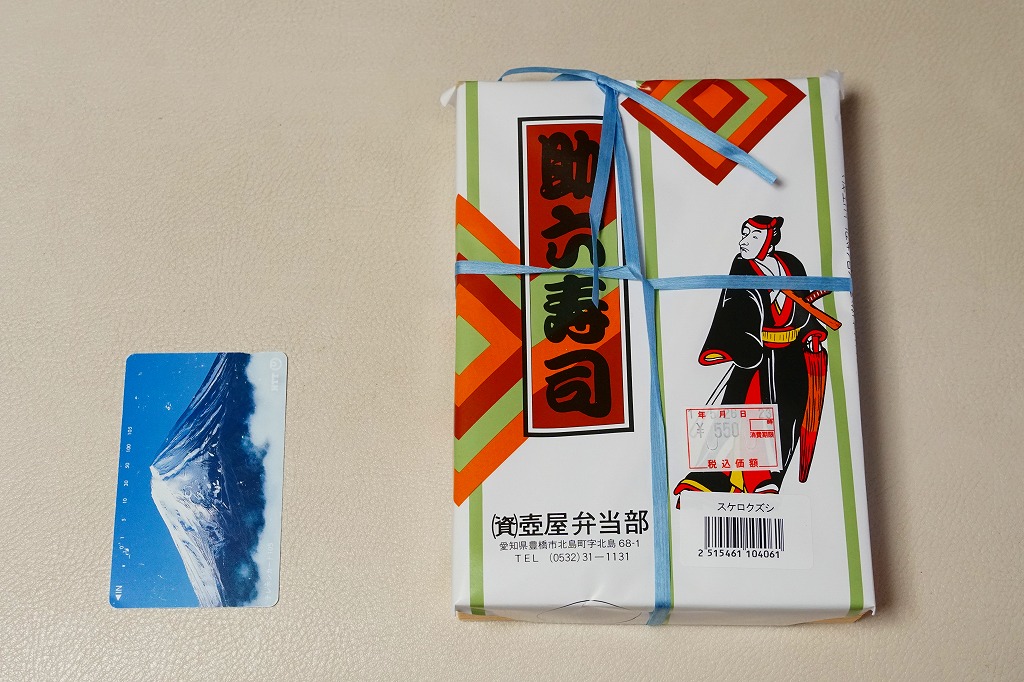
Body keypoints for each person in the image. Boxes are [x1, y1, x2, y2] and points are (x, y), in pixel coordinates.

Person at [675, 215, 826, 495]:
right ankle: (720, 479)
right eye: (744, 234)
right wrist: (743, 343)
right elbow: (736, 304)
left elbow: (804, 308)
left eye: (753, 236)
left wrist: (811, 332)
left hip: (791, 355)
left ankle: (770, 479)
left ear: (770, 240)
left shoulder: (791, 264)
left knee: (786, 417)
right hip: (756, 355)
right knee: (745, 415)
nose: (744, 241)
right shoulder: (742, 266)